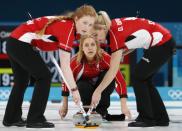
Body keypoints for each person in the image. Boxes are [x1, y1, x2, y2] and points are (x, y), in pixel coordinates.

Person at [2, 5, 97, 128]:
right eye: (84, 22)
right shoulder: (68, 28)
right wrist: (74, 90)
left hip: (14, 42)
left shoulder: (69, 27)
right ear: (76, 18)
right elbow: (65, 65)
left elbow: (45, 38)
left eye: (90, 25)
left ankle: (11, 118)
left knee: (22, 81)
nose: (87, 27)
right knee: (44, 76)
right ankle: (35, 119)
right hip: (20, 43)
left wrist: (36, 43)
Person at [91, 11, 176, 127]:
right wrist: (123, 53)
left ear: (103, 28)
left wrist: (98, 91)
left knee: (138, 77)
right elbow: (134, 38)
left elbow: (113, 71)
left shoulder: (115, 36)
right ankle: (161, 118)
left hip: (162, 44)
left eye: (95, 35)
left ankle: (146, 118)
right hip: (164, 42)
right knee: (144, 79)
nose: (95, 39)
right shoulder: (114, 24)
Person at [59, 35, 131, 119]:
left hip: (100, 90)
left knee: (109, 75)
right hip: (85, 89)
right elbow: (66, 82)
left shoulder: (106, 58)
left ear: (97, 47)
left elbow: (120, 81)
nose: (90, 48)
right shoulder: (75, 62)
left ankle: (101, 111)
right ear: (82, 48)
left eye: (93, 44)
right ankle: (86, 110)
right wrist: (65, 105)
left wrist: (124, 105)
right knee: (82, 85)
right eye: (86, 45)